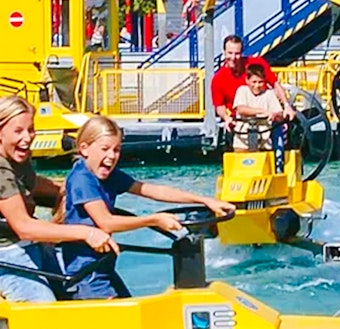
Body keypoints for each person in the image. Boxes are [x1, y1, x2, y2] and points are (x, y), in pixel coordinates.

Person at [0, 96, 119, 302]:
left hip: (33, 246)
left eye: (31, 129)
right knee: (43, 305)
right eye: (18, 131)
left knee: (81, 279)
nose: (27, 138)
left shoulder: (17, 158)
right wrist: (87, 233)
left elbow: (34, 185)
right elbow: (24, 226)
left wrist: (75, 188)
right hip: (6, 253)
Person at [62, 116, 235, 300]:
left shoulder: (109, 175)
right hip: (87, 273)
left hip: (103, 265)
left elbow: (152, 190)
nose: (112, 156)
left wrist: (204, 200)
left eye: (117, 150)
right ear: (84, 149)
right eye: (105, 149)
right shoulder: (83, 179)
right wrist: (153, 220)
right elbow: (106, 223)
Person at [210, 35, 297, 132]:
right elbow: (219, 105)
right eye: (230, 53)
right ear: (224, 52)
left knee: (277, 132)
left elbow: (275, 84)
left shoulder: (257, 63)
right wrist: (226, 118)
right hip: (241, 121)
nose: (233, 57)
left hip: (267, 118)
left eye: (237, 53)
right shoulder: (218, 79)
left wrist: (286, 105)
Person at [231, 63, 289, 151]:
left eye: (260, 82)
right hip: (243, 142)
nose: (257, 86)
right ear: (247, 80)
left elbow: (280, 114)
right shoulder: (242, 90)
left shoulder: (269, 94)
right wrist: (261, 111)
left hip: (264, 143)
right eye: (254, 82)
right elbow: (241, 109)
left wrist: (275, 116)